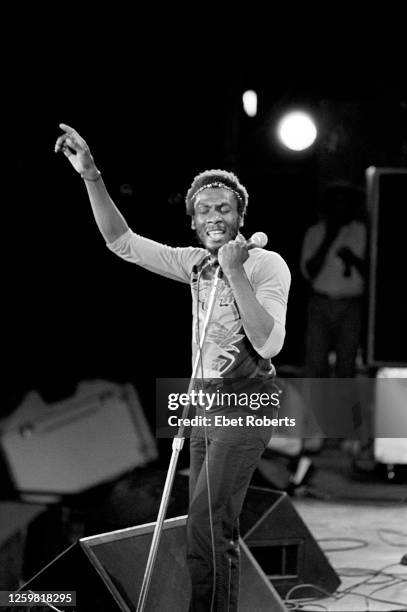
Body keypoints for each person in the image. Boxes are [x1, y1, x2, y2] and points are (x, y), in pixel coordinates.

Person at [54, 123, 291, 611]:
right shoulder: (193, 264)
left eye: (224, 208)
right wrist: (92, 177)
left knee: (207, 528)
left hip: (245, 405)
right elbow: (122, 242)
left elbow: (268, 344)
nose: (213, 216)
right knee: (210, 527)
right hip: (204, 405)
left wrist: (235, 271)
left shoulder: (267, 265)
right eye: (203, 210)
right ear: (192, 223)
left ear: (241, 214)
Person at [300, 181, 367, 379]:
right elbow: (308, 272)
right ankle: (316, 407)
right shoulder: (315, 232)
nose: (340, 207)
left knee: (346, 366)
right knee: (316, 363)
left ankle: (342, 407)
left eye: (344, 202)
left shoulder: (361, 231)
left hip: (350, 305)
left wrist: (353, 259)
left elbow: (373, 274)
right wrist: (330, 237)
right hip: (320, 304)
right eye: (335, 202)